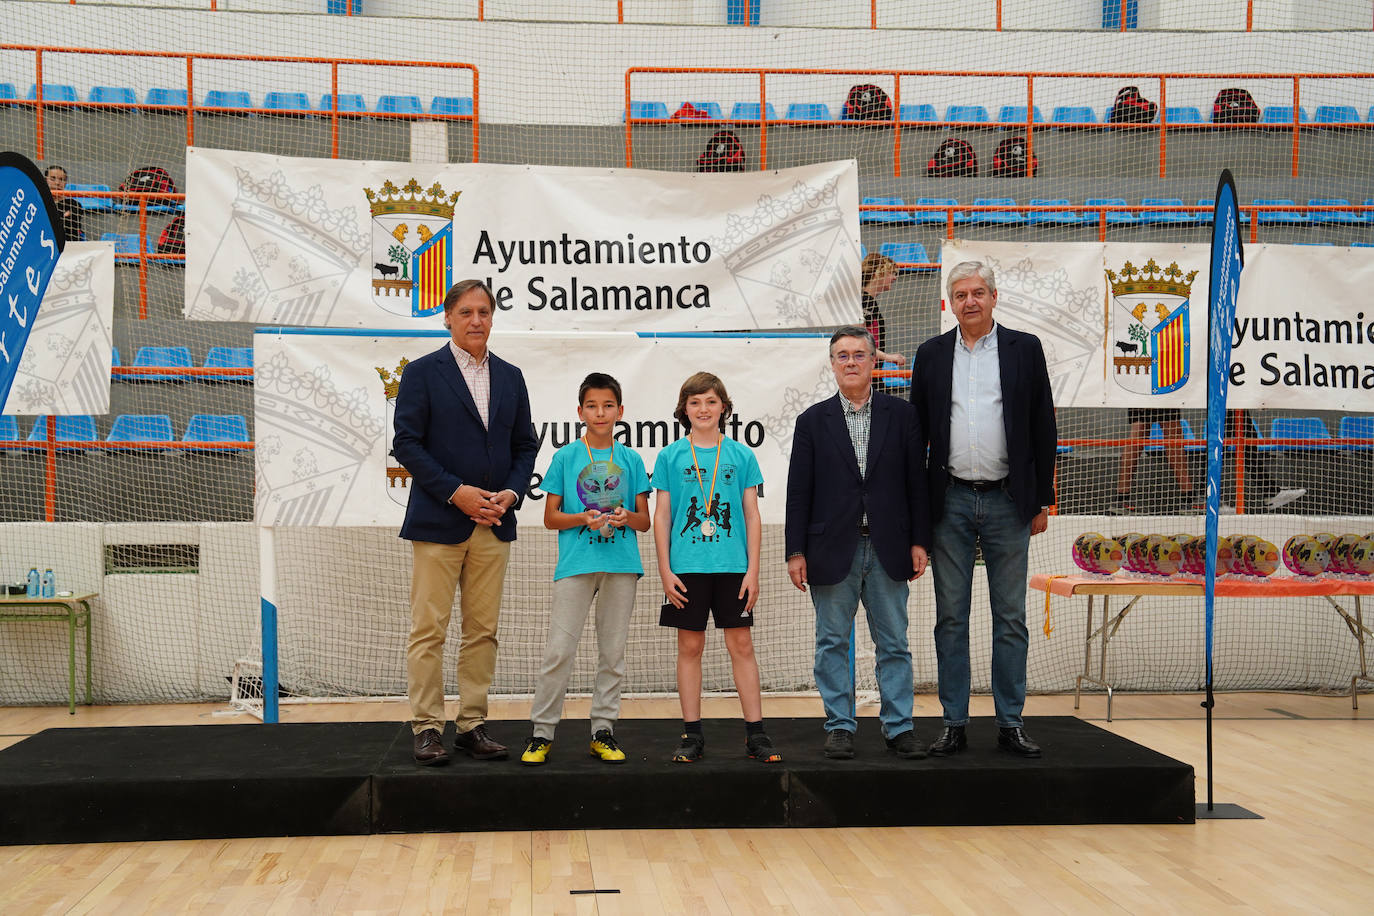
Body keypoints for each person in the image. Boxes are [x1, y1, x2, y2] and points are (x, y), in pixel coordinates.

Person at [909, 261, 1056, 759]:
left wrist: (1044, 498)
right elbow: (918, 436)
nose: (969, 301)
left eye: (978, 292)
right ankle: (953, 722)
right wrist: (918, 509)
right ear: (948, 302)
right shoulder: (930, 355)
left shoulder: (1025, 349)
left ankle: (1010, 722)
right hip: (948, 501)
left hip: (1009, 501)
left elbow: (1043, 425)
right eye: (960, 294)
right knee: (951, 617)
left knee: (1010, 617)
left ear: (995, 297)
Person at [392, 278, 539, 765]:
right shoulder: (421, 373)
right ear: (448, 318)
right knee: (428, 630)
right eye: (467, 312)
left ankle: (471, 724)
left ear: (492, 317)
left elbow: (525, 445)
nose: (477, 320)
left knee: (482, 631)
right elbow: (407, 444)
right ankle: (427, 727)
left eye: (485, 312)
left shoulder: (513, 376)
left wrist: (511, 494)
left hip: (494, 524)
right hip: (439, 520)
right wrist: (457, 492)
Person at [785, 326, 930, 760]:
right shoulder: (812, 421)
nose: (851, 362)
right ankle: (840, 726)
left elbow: (916, 484)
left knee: (895, 643)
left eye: (859, 354)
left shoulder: (902, 416)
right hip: (831, 550)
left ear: (874, 362)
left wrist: (920, 540)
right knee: (832, 641)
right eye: (842, 355)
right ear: (832, 364)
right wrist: (796, 550)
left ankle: (899, 727)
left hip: (889, 547)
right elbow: (799, 490)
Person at [520, 373, 651, 766]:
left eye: (608, 405)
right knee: (559, 651)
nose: (600, 412)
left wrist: (626, 516)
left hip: (621, 564)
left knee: (612, 653)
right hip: (576, 564)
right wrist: (582, 518)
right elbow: (550, 517)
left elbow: (645, 520)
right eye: (592, 406)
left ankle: (603, 730)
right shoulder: (565, 457)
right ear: (580, 412)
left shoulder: (630, 460)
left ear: (621, 411)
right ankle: (542, 733)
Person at [654, 372, 781, 764]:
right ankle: (692, 734)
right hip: (686, 568)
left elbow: (752, 514)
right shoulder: (671, 456)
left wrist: (753, 570)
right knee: (690, 646)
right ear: (684, 409)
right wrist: (664, 570)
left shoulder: (741, 455)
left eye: (710, 401)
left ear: (723, 407)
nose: (703, 409)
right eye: (695, 402)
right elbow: (662, 516)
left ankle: (755, 734)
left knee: (741, 644)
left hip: (733, 567)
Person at [1109, 408, 1198, 514]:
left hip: (1139, 394)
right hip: (1161, 393)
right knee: (1172, 431)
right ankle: (1189, 499)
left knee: (1140, 430)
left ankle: (1121, 499)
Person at [861, 252, 905, 368]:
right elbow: (858, 341)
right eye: (891, 273)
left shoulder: (869, 300)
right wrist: (888, 357)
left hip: (871, 371)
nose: (895, 277)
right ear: (878, 274)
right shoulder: (865, 301)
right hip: (866, 372)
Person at [44, 165, 84, 242]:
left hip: (70, 246)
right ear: (45, 180)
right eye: (52, 178)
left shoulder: (74, 204)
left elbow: (70, 227)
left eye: (62, 179)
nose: (57, 183)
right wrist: (63, 216)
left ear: (65, 183)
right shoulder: (40, 203)